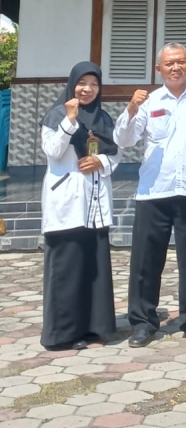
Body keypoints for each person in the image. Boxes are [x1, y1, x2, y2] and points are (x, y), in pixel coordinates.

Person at [114, 43, 186, 347]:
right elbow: (124, 139)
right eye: (169, 63)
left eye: (180, 62)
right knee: (145, 262)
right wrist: (131, 109)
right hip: (154, 192)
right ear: (158, 69)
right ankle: (142, 322)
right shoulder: (149, 101)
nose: (175, 68)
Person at [40, 61, 119, 350]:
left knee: (93, 268)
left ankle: (95, 328)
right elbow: (52, 150)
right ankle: (62, 334)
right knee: (67, 270)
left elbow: (116, 153)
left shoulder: (103, 118)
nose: (87, 89)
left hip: (95, 203)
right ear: (72, 84)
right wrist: (70, 120)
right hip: (67, 203)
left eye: (94, 84)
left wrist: (101, 161)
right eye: (82, 83)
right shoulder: (56, 115)